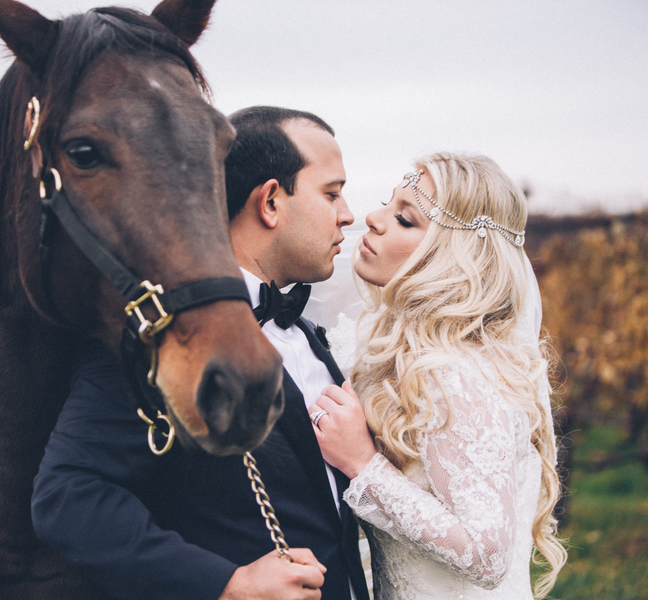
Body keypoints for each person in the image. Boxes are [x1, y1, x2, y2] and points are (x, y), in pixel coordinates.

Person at [31, 106, 370, 600]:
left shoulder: (312, 334)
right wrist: (226, 584)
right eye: (332, 193)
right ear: (270, 202)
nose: (348, 215)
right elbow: (67, 495)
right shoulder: (159, 337)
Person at [308, 153, 566, 600]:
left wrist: (362, 465)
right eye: (387, 205)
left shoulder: (457, 373)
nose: (373, 219)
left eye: (404, 219)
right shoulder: (406, 357)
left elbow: (487, 555)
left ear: (453, 256)